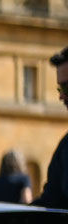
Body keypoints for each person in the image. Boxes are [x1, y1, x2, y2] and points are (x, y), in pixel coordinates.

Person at [39, 47, 68, 209]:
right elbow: (50, 200)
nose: (61, 96)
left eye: (66, 87)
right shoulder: (66, 144)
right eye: (60, 88)